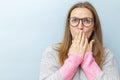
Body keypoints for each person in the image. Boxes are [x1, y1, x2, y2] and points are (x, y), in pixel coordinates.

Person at [39, 1, 120, 80]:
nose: (80, 26)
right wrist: (74, 60)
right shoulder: (52, 52)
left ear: (93, 27)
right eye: (74, 20)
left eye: (87, 21)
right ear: (69, 25)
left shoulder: (106, 55)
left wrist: (88, 61)